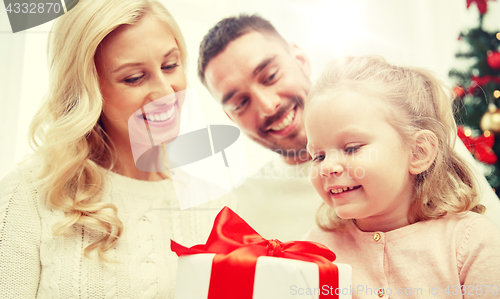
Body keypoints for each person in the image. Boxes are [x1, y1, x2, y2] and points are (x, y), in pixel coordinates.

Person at [197, 14, 500, 241]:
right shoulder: (240, 212)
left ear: (300, 59)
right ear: (230, 118)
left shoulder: (413, 140)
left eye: (271, 75)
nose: (266, 105)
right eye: (240, 102)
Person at [0, 0, 227, 297]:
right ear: (87, 90)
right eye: (134, 78)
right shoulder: (29, 195)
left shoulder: (213, 202)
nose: (164, 92)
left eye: (170, 65)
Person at [303, 56, 500, 297]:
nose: (327, 167)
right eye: (318, 156)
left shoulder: (470, 242)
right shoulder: (313, 251)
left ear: (418, 152)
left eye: (351, 148)